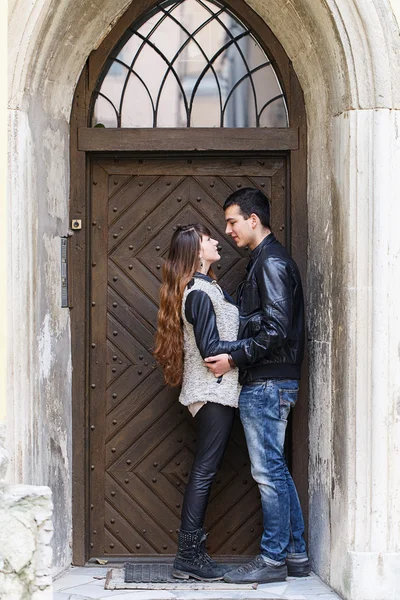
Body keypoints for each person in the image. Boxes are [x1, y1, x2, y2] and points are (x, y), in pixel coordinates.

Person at [204, 188, 310, 584]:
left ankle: (272, 559)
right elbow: (265, 326)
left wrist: (233, 356)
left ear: (253, 219)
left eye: (232, 221)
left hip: (268, 382)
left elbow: (276, 330)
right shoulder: (265, 260)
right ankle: (296, 555)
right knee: (276, 470)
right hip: (271, 379)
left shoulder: (271, 262)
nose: (228, 229)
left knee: (267, 472)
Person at [153, 223, 244, 582]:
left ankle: (189, 554)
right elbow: (210, 350)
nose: (216, 241)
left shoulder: (207, 289)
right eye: (208, 240)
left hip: (216, 391)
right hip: (212, 391)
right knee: (204, 471)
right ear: (195, 251)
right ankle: (189, 555)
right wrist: (248, 351)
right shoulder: (199, 293)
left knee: (206, 470)